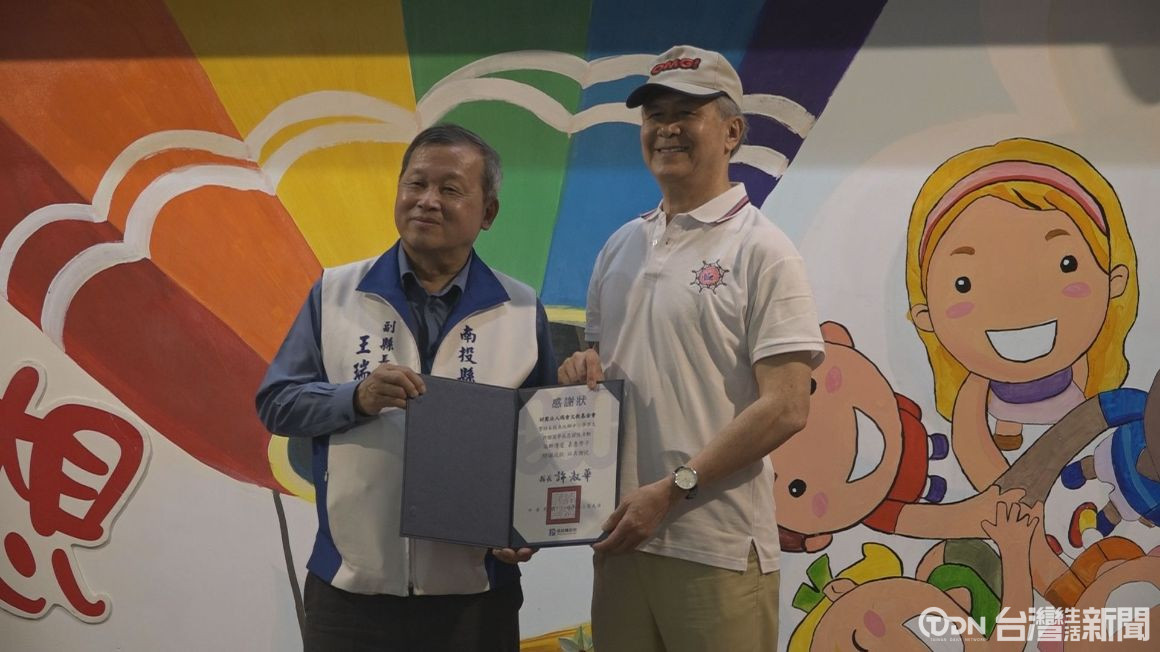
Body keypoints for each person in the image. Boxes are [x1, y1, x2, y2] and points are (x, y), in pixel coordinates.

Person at [558, 45, 825, 651]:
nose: (667, 128)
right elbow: (605, 375)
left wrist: (673, 488)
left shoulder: (764, 251)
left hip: (717, 548)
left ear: (732, 132)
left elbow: (787, 406)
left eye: (687, 113)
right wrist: (581, 375)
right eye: (655, 115)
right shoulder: (619, 246)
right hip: (622, 537)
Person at [255, 123, 555, 652]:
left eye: (450, 189)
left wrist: (526, 528)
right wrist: (354, 398)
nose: (427, 201)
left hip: (476, 595)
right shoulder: (335, 292)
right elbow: (277, 402)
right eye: (415, 183)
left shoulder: (522, 309)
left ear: (488, 213)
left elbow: (542, 445)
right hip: (350, 592)